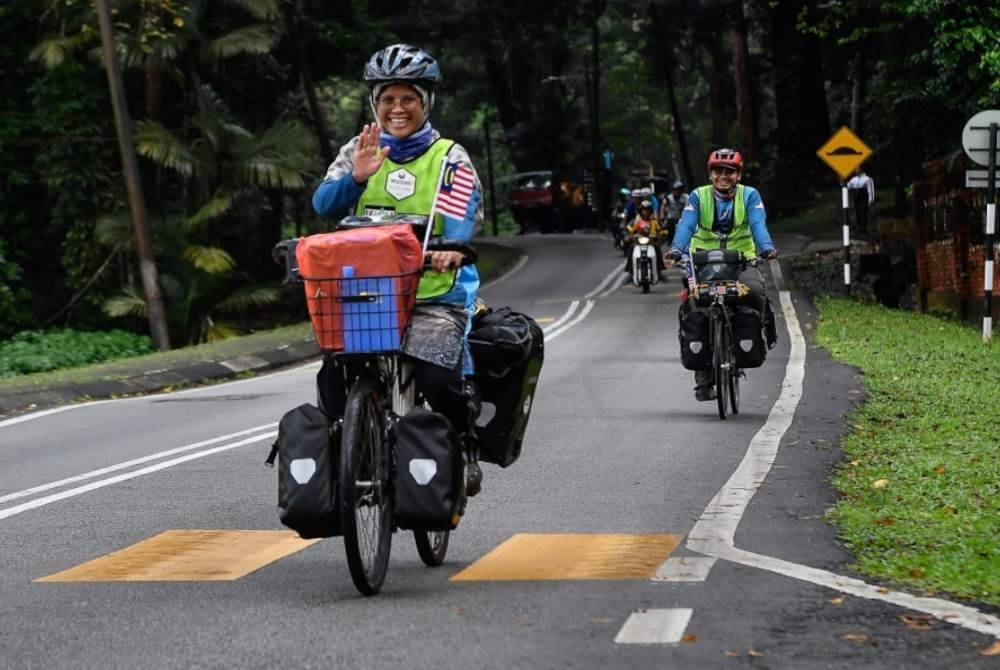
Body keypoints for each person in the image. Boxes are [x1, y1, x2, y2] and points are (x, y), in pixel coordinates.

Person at [311, 44, 485, 495]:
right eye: (387, 98)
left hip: (434, 293)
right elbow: (324, 205)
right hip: (369, 294)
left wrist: (452, 248)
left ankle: (463, 440)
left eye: (409, 98)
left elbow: (461, 215)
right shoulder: (359, 149)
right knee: (332, 377)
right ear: (375, 103)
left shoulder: (449, 158)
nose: (398, 108)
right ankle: (350, 456)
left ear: (427, 102)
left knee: (437, 378)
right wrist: (357, 177)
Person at [664, 148, 778, 401]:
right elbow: (686, 225)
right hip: (702, 262)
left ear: (739, 174)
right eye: (718, 171)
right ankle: (703, 380)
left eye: (730, 171)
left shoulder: (750, 195)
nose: (723, 176)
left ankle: (758, 337)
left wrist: (766, 247)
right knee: (695, 307)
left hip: (741, 260)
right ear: (710, 174)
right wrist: (676, 250)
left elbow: (758, 224)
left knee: (755, 291)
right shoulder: (698, 196)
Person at [624, 200, 666, 279]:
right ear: (641, 211)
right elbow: (629, 228)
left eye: (647, 210)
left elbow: (663, 230)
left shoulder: (655, 221)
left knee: (657, 249)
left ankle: (659, 271)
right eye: (644, 210)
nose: (646, 212)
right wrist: (629, 236)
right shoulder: (637, 221)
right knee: (631, 249)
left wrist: (659, 236)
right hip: (638, 241)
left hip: (651, 241)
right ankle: (630, 272)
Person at [846, 168, 875, 238]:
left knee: (863, 215)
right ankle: (858, 231)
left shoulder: (867, 179)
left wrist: (871, 200)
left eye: (857, 169)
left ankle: (864, 231)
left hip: (864, 199)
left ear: (861, 169)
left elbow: (870, 190)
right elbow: (847, 186)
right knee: (858, 214)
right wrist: (842, 182)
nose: (855, 170)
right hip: (857, 199)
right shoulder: (853, 179)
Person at [659, 179, 688, 245]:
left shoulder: (686, 197)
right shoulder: (668, 197)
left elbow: (690, 206)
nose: (676, 192)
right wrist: (661, 214)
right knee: (665, 227)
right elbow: (663, 205)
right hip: (671, 217)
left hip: (681, 217)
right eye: (675, 190)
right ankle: (668, 241)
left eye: (678, 190)